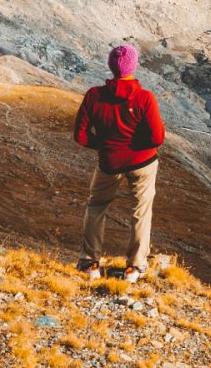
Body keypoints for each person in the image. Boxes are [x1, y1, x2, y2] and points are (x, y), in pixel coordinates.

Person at [73, 43, 165, 282]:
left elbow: (80, 136)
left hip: (109, 162)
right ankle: (135, 266)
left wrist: (106, 145)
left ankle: (89, 262)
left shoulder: (94, 96)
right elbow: (157, 138)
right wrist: (134, 145)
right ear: (133, 67)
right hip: (143, 163)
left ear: (111, 67)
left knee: (96, 207)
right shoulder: (145, 98)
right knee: (141, 211)